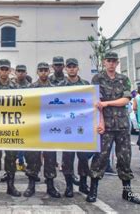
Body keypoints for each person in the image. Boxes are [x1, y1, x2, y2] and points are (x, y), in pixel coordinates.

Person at [87, 52, 140, 204]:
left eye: (114, 61)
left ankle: (127, 192)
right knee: (100, 158)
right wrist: (101, 122)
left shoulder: (123, 79)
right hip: (106, 125)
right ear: (104, 62)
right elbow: (96, 102)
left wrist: (107, 103)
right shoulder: (97, 78)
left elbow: (126, 100)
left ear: (117, 63)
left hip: (122, 125)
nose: (111, 64)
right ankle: (93, 191)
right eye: (108, 61)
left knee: (125, 158)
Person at [60, 58, 94, 197]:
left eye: (74, 66)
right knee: (67, 158)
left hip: (82, 127)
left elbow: (92, 104)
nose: (72, 69)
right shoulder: (61, 85)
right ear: (65, 69)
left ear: (78, 68)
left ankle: (83, 184)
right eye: (69, 67)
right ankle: (69, 186)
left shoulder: (86, 84)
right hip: (66, 127)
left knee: (83, 158)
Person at [24, 62, 58, 198]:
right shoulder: (30, 88)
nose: (43, 72)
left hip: (50, 128)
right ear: (37, 72)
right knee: (33, 158)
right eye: (41, 70)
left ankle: (50, 186)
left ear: (49, 71)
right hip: (35, 128)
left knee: (50, 158)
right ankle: (31, 185)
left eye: (45, 70)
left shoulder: (55, 89)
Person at [0, 59, 21, 197]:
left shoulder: (15, 87)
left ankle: (10, 186)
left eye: (6, 69)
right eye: (2, 69)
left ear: (10, 71)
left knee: (11, 158)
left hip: (11, 128)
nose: (4, 71)